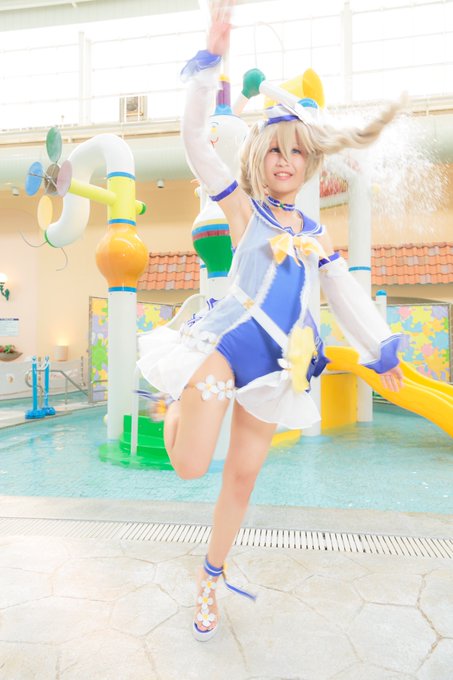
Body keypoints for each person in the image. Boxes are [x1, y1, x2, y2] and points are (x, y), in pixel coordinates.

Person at [138, 1, 404, 641]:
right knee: (191, 468)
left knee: (242, 477)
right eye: (275, 150)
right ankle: (175, 409)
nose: (284, 161)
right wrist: (210, 60)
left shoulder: (317, 236)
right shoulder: (243, 209)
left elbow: (346, 296)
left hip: (278, 365)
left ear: (310, 163)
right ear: (260, 155)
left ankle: (211, 576)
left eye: (296, 153)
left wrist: (381, 348)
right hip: (228, 346)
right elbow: (195, 141)